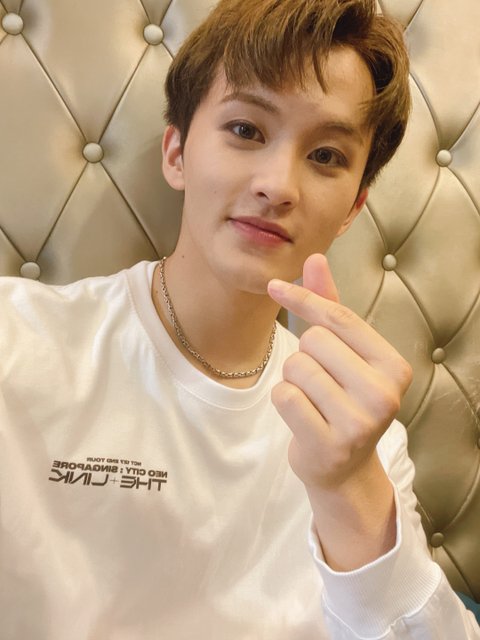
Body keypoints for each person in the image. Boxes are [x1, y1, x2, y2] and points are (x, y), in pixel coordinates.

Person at [0, 0, 478, 638]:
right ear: (177, 153)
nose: (278, 185)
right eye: (247, 130)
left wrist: (348, 487)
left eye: (326, 156)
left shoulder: (360, 433)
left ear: (352, 208)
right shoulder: (18, 341)